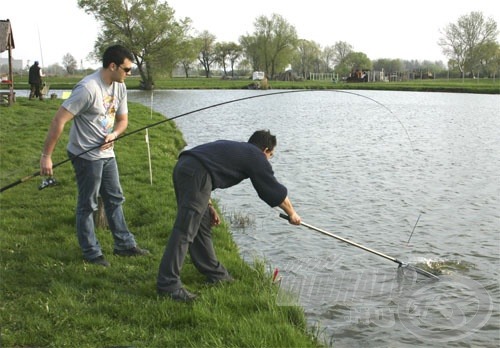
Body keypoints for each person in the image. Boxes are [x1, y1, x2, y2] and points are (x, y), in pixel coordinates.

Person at [157, 130, 301, 302]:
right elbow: (272, 189)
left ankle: (216, 274)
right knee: (185, 230)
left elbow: (207, 166)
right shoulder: (256, 156)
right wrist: (292, 213)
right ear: (265, 150)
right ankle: (168, 285)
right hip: (196, 173)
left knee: (201, 227)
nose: (269, 160)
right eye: (271, 155)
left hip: (186, 166)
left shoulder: (240, 150)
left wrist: (209, 205)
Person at [39, 45, 148, 267]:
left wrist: (114, 135)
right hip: (85, 155)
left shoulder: (120, 87)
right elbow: (59, 120)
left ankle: (124, 245)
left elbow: (122, 120)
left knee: (115, 198)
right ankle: (91, 252)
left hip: (107, 153)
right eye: (127, 69)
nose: (130, 73)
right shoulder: (88, 88)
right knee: (88, 204)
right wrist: (46, 156)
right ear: (113, 66)